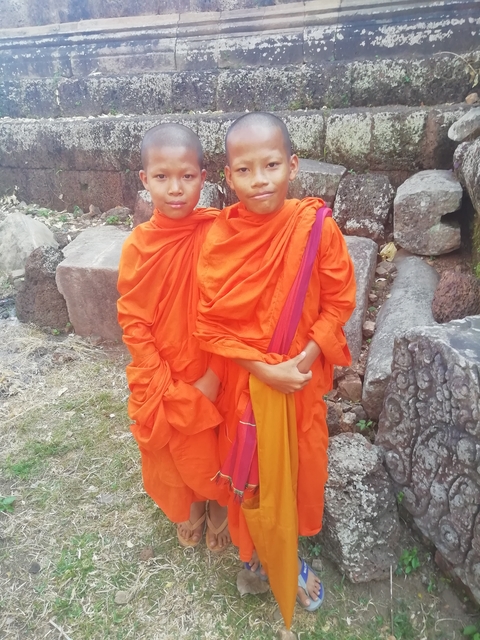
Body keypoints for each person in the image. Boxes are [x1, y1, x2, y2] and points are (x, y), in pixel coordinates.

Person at [194, 112, 356, 626]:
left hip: (298, 384)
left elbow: (338, 303)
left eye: (270, 165)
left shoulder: (315, 228)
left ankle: (288, 554)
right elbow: (207, 322)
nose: (259, 179)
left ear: (293, 164)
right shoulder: (219, 237)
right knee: (247, 471)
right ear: (228, 176)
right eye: (245, 169)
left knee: (293, 469)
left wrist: (302, 361)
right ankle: (253, 556)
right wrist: (264, 371)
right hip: (245, 385)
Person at [117, 123, 229, 552]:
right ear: (145, 181)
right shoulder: (139, 246)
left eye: (187, 176)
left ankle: (218, 505)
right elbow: (134, 320)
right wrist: (161, 382)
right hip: (162, 368)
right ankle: (191, 509)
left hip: (212, 364)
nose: (176, 189)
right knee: (171, 448)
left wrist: (214, 375)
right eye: (162, 177)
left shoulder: (220, 232)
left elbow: (234, 310)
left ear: (204, 176)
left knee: (214, 449)